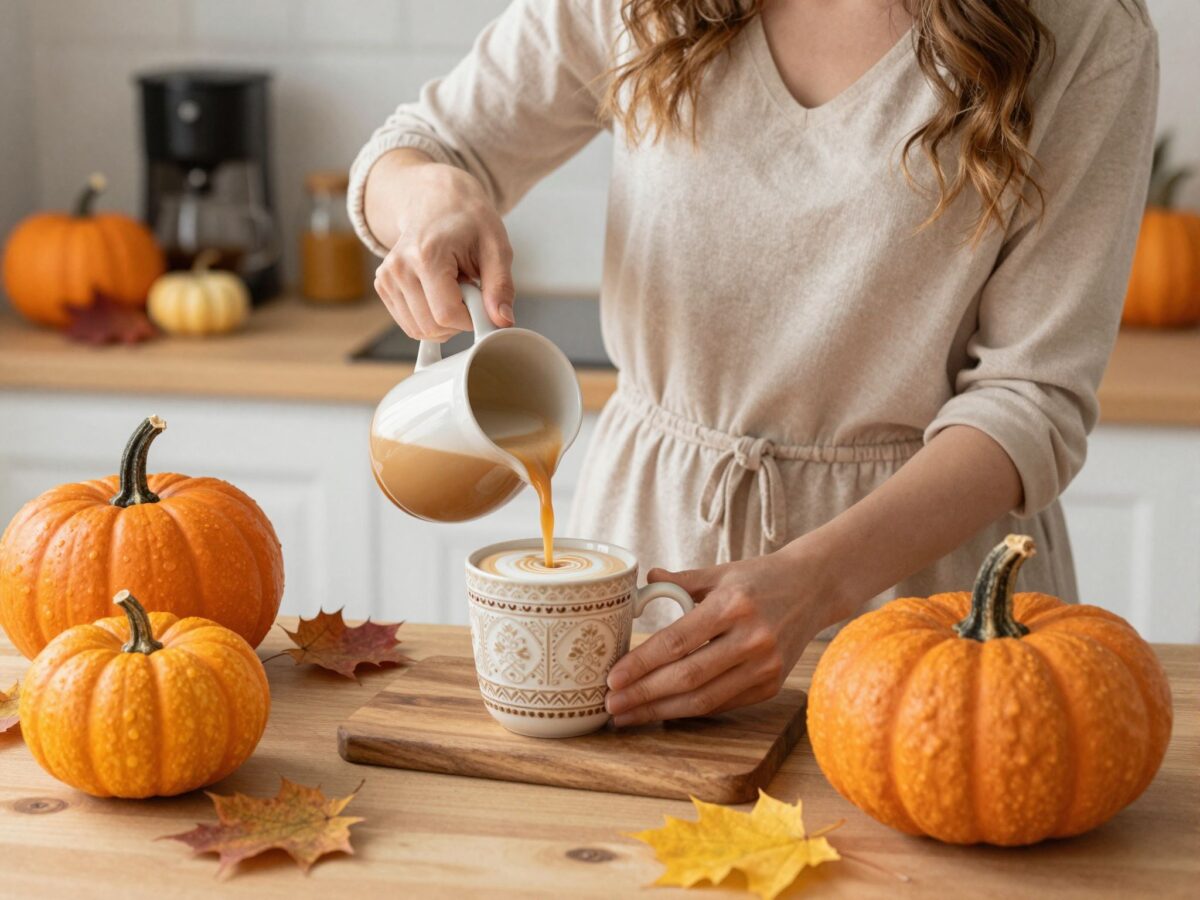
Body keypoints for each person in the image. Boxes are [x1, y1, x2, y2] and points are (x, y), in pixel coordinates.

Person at [350, 0, 1158, 727]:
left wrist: (817, 580)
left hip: (922, 610)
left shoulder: (1086, 30)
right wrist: (434, 199)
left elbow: (1029, 399)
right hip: (650, 555)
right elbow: (416, 150)